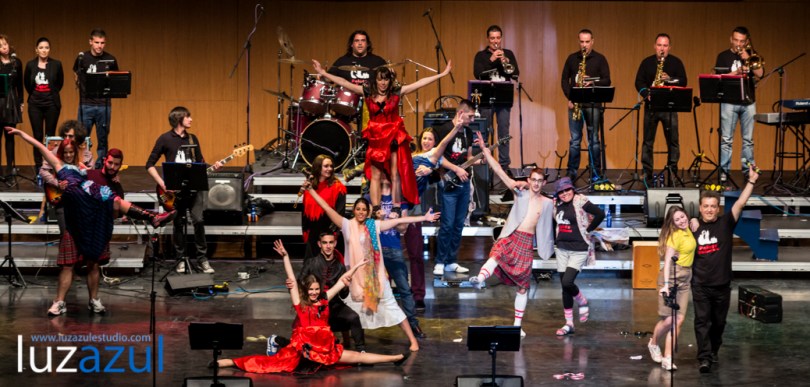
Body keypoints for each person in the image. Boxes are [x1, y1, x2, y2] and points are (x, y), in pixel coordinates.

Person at [5, 126, 175, 316]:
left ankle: (153, 218)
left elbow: (100, 176)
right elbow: (39, 146)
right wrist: (21, 134)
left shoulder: (83, 169)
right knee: (68, 264)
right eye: (66, 152)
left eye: (71, 152)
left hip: (88, 203)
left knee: (115, 200)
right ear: (61, 153)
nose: (68, 155)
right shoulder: (59, 165)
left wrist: (112, 179)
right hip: (75, 211)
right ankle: (59, 302)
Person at [216, 240, 407, 373]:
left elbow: (342, 280)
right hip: (305, 350)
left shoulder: (324, 300)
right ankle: (227, 362)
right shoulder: (301, 304)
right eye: (312, 290)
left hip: (325, 349)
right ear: (306, 290)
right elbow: (291, 278)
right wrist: (285, 257)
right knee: (269, 363)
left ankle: (394, 358)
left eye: (317, 289)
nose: (315, 292)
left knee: (357, 357)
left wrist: (358, 265)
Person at [305, 181, 440, 352]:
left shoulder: (374, 225)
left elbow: (401, 219)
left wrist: (424, 218)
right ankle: (347, 340)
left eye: (364, 209)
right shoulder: (347, 225)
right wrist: (311, 191)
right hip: (354, 277)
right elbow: (327, 208)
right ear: (354, 210)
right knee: (349, 309)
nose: (361, 212)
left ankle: (413, 340)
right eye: (358, 209)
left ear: (369, 212)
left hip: (375, 276)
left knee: (392, 306)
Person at [312, 58, 452, 214]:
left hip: (392, 137)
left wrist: (442, 74)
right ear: (376, 80)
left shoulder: (396, 93)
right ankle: (377, 208)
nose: (383, 83)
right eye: (380, 80)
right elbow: (344, 82)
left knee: (395, 174)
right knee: (376, 176)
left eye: (386, 79)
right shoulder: (367, 92)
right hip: (376, 139)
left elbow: (420, 83)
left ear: (389, 80)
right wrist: (323, 73)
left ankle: (396, 207)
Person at [469, 131, 554, 338]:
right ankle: (479, 278)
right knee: (496, 254)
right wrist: (485, 151)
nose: (535, 183)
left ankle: (517, 325)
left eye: (539, 180)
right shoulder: (520, 192)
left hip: (526, 243)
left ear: (543, 183)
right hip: (511, 235)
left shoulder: (548, 203)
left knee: (523, 287)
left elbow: (560, 218)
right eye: (533, 179)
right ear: (528, 179)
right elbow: (499, 171)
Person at [691, 164, 760, 373]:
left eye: (713, 206)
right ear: (700, 207)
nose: (709, 209)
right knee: (702, 321)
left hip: (722, 285)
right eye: (706, 206)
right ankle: (704, 357)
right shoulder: (692, 226)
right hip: (700, 285)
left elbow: (741, 202)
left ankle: (713, 350)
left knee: (718, 322)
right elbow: (673, 218)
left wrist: (752, 181)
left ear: (718, 208)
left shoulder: (726, 223)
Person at [145, 106, 222, 274]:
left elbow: (200, 163)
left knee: (198, 221)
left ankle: (202, 259)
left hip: (194, 189)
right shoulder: (165, 139)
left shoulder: (193, 138)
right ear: (179, 119)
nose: (191, 119)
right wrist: (162, 182)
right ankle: (180, 259)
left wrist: (212, 167)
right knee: (178, 223)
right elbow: (149, 164)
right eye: (188, 117)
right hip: (173, 191)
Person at [402, 112, 466, 309]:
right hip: (396, 206)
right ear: (420, 140)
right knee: (392, 254)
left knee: (415, 254)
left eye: (431, 139)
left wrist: (456, 128)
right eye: (425, 138)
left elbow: (444, 151)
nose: (427, 141)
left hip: (413, 209)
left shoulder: (434, 159)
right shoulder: (410, 157)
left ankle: (418, 296)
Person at [552, 177, 605, 336]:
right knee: (564, 287)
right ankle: (569, 324)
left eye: (567, 190)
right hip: (562, 248)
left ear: (572, 189)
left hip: (579, 248)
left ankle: (582, 300)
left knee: (568, 282)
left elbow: (600, 214)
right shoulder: (557, 204)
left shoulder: (580, 200)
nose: (564, 194)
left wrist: (588, 230)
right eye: (561, 192)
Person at [634, 33, 688, 187]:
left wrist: (669, 79)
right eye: (659, 45)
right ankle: (647, 173)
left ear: (669, 47)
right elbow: (638, 82)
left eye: (665, 46)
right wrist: (646, 94)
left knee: (673, 142)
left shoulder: (676, 62)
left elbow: (683, 82)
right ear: (654, 46)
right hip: (651, 107)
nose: (662, 49)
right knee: (647, 142)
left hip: (670, 108)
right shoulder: (647, 62)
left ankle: (672, 171)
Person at [296, 233, 366, 352]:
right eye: (325, 243)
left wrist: (346, 286)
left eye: (330, 242)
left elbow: (344, 295)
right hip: (315, 306)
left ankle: (361, 350)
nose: (328, 246)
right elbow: (300, 283)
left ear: (335, 244)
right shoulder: (311, 263)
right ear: (319, 244)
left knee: (354, 317)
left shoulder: (339, 266)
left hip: (334, 304)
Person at [646, 206, 696, 371]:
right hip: (672, 277)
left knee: (679, 320)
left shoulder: (690, 229)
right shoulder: (674, 237)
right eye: (677, 219)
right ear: (672, 223)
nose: (682, 221)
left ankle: (667, 358)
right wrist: (666, 285)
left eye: (683, 217)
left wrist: (695, 221)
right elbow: (667, 262)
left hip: (686, 277)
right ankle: (653, 344)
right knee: (669, 320)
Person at [378, 178, 426, 339]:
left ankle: (413, 324)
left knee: (405, 288)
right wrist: (379, 217)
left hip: (393, 249)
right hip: (375, 249)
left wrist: (393, 219)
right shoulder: (372, 196)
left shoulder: (400, 201)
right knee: (373, 288)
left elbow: (403, 227)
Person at [715, 26, 764, 183]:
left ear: (746, 42)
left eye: (742, 41)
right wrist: (736, 73)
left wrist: (746, 57)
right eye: (736, 40)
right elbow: (718, 78)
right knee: (726, 140)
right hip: (729, 102)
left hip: (748, 102)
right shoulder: (723, 56)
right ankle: (724, 172)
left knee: (748, 140)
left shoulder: (751, 55)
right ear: (731, 39)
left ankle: (748, 171)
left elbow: (760, 74)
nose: (738, 44)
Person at [561, 29, 611, 182]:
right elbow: (564, 80)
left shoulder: (600, 59)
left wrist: (593, 82)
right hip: (575, 104)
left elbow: (607, 80)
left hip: (593, 105)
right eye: (582, 42)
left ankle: (595, 172)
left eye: (587, 42)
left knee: (594, 140)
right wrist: (570, 97)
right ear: (579, 41)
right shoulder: (572, 58)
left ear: (592, 41)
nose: (584, 45)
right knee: (575, 140)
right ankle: (572, 171)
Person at [433, 100, 476, 276]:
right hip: (449, 182)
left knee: (459, 224)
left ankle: (451, 260)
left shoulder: (468, 131)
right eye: (470, 116)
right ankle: (440, 261)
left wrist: (482, 158)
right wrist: (456, 169)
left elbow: (470, 157)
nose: (472, 120)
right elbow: (438, 157)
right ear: (460, 113)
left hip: (464, 183)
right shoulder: (442, 130)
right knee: (447, 224)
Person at [473, 25, 519, 171]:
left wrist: (506, 61)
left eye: (498, 38)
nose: (495, 41)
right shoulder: (481, 56)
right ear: (488, 39)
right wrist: (492, 60)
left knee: (503, 133)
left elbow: (516, 73)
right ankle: (484, 165)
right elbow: (478, 74)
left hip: (504, 99)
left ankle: (504, 166)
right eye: (492, 38)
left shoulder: (508, 53)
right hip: (486, 100)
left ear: (501, 38)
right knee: (485, 132)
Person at [73, 28, 118, 169]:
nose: (99, 46)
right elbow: (76, 74)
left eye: (102, 43)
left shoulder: (110, 59)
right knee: (81, 138)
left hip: (104, 104)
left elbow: (116, 79)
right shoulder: (82, 58)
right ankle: (82, 164)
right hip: (86, 104)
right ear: (90, 42)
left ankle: (100, 167)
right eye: (97, 42)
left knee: (103, 139)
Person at [24, 37, 64, 172]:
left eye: (46, 47)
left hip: (52, 104)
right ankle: (38, 167)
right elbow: (27, 84)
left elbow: (59, 84)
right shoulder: (30, 65)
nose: (44, 50)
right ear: (36, 50)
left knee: (50, 136)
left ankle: (49, 165)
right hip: (35, 105)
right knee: (37, 135)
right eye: (41, 47)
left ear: (49, 49)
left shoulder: (56, 64)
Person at [302, 155, 346, 260]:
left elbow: (340, 214)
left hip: (328, 236)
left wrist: (333, 236)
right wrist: (305, 231)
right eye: (326, 166)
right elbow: (304, 212)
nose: (329, 169)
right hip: (313, 235)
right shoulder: (310, 186)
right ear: (318, 167)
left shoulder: (338, 188)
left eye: (331, 166)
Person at [0, 34, 23, 176]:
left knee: (10, 135)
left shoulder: (16, 62)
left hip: (11, 101)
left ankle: (10, 167)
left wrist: (21, 102)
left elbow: (19, 85)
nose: (4, 48)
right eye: (1, 46)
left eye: (5, 44)